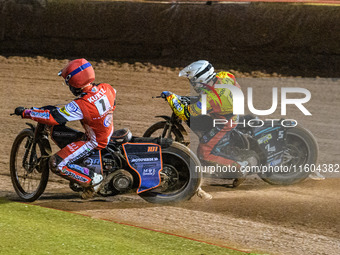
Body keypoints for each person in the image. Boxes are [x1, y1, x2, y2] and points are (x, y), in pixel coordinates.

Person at [14, 58, 116, 199]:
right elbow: (113, 100)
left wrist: (27, 113)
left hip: (94, 142)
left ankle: (91, 179)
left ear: (75, 84)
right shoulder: (106, 88)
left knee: (56, 163)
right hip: (107, 132)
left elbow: (53, 118)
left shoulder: (81, 105)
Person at [162, 60, 247, 172]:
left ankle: (240, 166)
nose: (192, 83)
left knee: (204, 154)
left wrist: (171, 97)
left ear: (201, 79)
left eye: (192, 81)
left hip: (225, 123)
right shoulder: (223, 76)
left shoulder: (211, 99)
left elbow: (186, 113)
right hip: (227, 111)